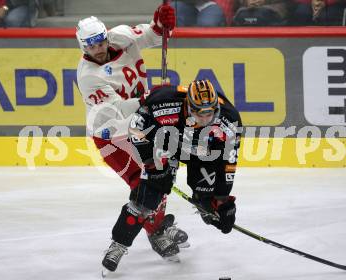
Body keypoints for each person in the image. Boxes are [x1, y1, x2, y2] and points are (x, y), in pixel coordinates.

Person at [75, 5, 190, 274]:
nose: (99, 49)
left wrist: (162, 24)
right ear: (83, 48)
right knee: (143, 184)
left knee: (158, 179)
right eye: (92, 47)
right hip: (111, 136)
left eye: (101, 41)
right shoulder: (88, 76)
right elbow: (118, 108)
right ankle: (157, 233)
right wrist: (152, 99)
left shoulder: (122, 35)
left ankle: (158, 226)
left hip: (139, 127)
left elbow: (155, 35)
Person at [124, 79, 241, 268]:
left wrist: (222, 199)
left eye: (209, 112)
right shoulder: (166, 103)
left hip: (200, 150)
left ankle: (202, 197)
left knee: (207, 194)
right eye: (199, 113)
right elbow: (136, 129)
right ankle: (150, 229)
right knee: (154, 187)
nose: (204, 118)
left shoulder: (230, 119)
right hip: (167, 142)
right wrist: (150, 162)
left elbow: (229, 162)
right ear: (188, 106)